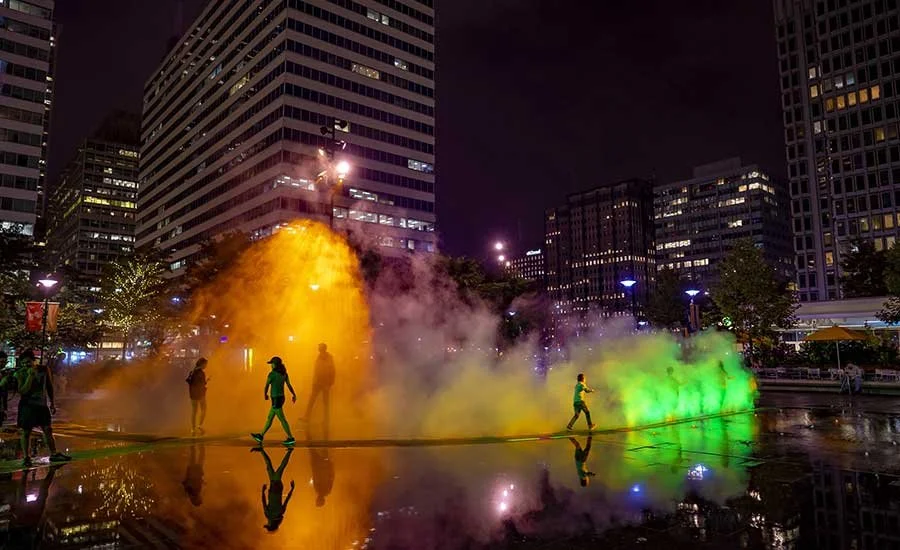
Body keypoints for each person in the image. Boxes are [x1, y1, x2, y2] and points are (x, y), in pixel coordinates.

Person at [16, 350, 71, 466]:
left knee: (47, 429)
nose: (26, 365)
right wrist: (30, 376)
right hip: (27, 406)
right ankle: (26, 457)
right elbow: (22, 391)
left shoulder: (44, 370)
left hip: (42, 405)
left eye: (28, 362)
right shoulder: (20, 373)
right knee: (26, 432)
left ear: (34, 361)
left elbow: (49, 387)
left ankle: (54, 454)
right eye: (23, 363)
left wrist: (52, 403)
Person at [251, 357, 297, 446]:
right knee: (270, 418)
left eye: (272, 364)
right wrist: (293, 394)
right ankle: (261, 436)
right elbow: (289, 385)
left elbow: (266, 386)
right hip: (281, 398)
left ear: (275, 365)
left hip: (276, 399)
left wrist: (265, 394)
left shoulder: (272, 374)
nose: (271, 365)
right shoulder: (284, 374)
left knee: (282, 419)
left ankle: (291, 438)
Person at [253, 447, 295, 532]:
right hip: (274, 488)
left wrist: (292, 489)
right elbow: (263, 501)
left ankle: (262, 451)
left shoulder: (279, 514)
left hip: (276, 487)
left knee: (272, 466)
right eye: (268, 524)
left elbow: (287, 499)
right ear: (271, 524)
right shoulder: (268, 514)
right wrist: (263, 491)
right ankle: (289, 451)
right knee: (276, 467)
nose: (267, 522)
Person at [303, 343, 335, 424]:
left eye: (320, 347)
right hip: (317, 382)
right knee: (312, 400)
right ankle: (307, 416)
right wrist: (314, 381)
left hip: (325, 383)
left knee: (325, 402)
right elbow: (316, 370)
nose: (318, 349)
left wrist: (330, 383)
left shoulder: (329, 358)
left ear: (323, 348)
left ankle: (326, 419)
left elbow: (332, 371)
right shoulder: (319, 357)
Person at [186, 358, 209, 435]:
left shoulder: (192, 372)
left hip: (192, 393)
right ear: (202, 364)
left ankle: (193, 429)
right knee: (204, 409)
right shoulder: (201, 373)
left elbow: (190, 382)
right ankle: (200, 425)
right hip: (200, 393)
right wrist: (207, 381)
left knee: (194, 411)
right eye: (205, 364)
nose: (206, 366)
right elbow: (202, 384)